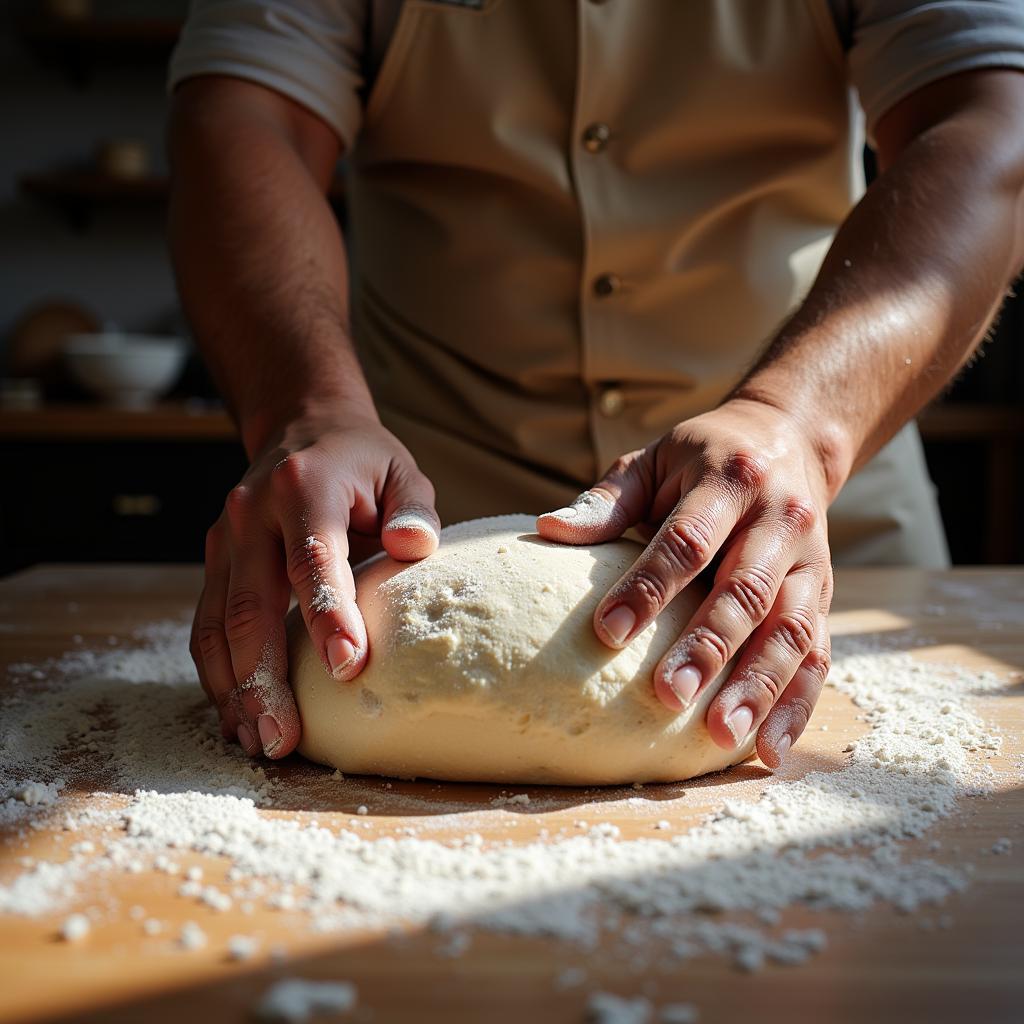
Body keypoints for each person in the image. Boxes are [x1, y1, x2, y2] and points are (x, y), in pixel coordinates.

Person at [166, 0, 1024, 769]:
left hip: (800, 519)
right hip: (404, 531)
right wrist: (309, 408)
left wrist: (795, 422)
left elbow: (988, 117)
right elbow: (245, 116)